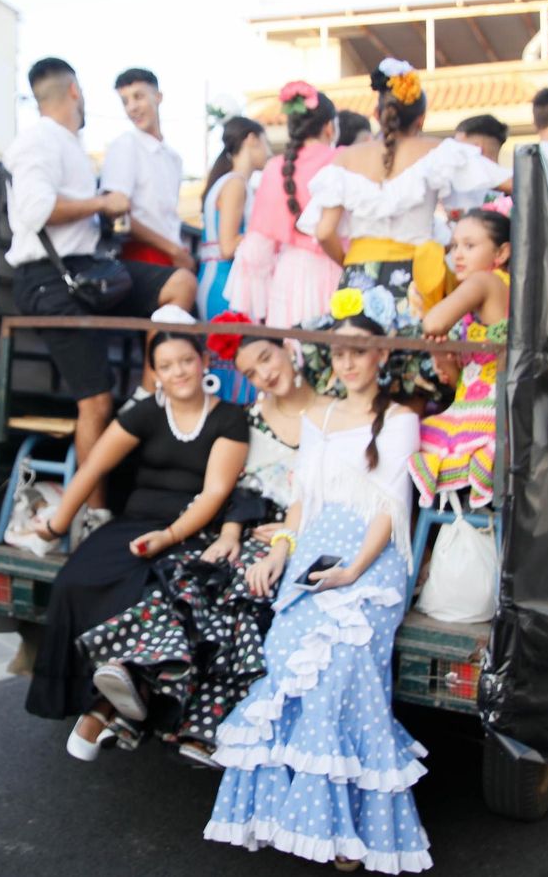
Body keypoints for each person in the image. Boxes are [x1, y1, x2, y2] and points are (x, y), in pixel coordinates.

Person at [205, 311, 431, 873]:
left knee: (343, 667)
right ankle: (293, 815)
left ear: (382, 354)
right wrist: (282, 550)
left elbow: (391, 508)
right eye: (339, 352)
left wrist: (354, 571)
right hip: (314, 552)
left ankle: (347, 826)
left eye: (359, 351)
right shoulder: (319, 416)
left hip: (373, 561)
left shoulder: (401, 418)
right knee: (286, 657)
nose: (348, 362)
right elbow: (302, 500)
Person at [76, 328, 312, 765]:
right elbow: (242, 487)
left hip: (306, 532)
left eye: (266, 359)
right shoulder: (252, 418)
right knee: (193, 575)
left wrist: (288, 536)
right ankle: (137, 682)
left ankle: (151, 705)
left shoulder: (333, 416)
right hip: (251, 526)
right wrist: (230, 533)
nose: (263, 375)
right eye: (250, 372)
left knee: (243, 599)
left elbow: (334, 491)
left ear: (288, 349)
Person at [25, 325, 250, 760]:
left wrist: (169, 536)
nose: (178, 371)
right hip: (135, 522)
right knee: (75, 581)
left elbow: (215, 492)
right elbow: (93, 467)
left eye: (186, 361)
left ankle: (113, 702)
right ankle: (90, 694)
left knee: (147, 589)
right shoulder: (147, 411)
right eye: (166, 365)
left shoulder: (229, 418)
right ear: (155, 374)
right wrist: (58, 524)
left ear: (204, 362)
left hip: (191, 528)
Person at [4, 57, 195, 489]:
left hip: (87, 272)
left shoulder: (70, 143)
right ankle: (93, 510)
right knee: (95, 403)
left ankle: (148, 392)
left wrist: (107, 218)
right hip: (49, 280)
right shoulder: (39, 140)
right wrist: (102, 203)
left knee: (179, 283)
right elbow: (35, 210)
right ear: (75, 91)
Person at [302, 59, 450, 331]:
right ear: (421, 119)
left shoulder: (346, 158)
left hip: (360, 274)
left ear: (376, 114)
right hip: (415, 275)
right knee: (410, 353)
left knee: (355, 354)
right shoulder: (437, 150)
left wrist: (352, 262)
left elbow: (324, 232)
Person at [410, 209, 511, 510]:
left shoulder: (484, 281)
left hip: (484, 420)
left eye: (469, 245)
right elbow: (462, 383)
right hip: (482, 410)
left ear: (502, 252)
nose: (458, 255)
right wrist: (442, 354)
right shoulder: (499, 290)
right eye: (454, 246)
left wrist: (433, 326)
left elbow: (433, 323)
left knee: (405, 438)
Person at [225, 83, 342, 327]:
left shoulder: (276, 168)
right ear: (329, 127)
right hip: (337, 270)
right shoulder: (342, 159)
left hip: (289, 278)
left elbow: (258, 248)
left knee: (290, 345)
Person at [103, 68, 190, 271]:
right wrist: (173, 250)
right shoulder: (125, 145)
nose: (132, 107)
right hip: (141, 255)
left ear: (158, 97)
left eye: (138, 97)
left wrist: (176, 252)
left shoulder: (174, 158)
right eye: (125, 101)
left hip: (174, 254)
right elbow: (116, 215)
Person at [198, 117, 270, 320]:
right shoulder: (235, 184)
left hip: (224, 280)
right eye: (266, 143)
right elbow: (228, 246)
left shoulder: (232, 182)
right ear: (252, 139)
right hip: (224, 284)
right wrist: (266, 232)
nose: (269, 152)